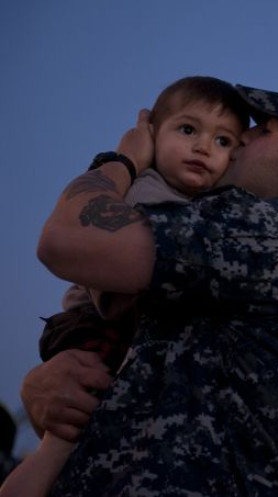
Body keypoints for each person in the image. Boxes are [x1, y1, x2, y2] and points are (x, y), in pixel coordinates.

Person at [23, 58, 278, 496]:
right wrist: (56, 385)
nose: (242, 137)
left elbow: (66, 239)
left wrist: (124, 158)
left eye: (263, 132)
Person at [0, 76, 250, 497]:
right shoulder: (147, 191)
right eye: (188, 130)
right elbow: (138, 285)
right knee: (68, 431)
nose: (204, 148)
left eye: (223, 141)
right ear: (152, 134)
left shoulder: (201, 206)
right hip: (94, 327)